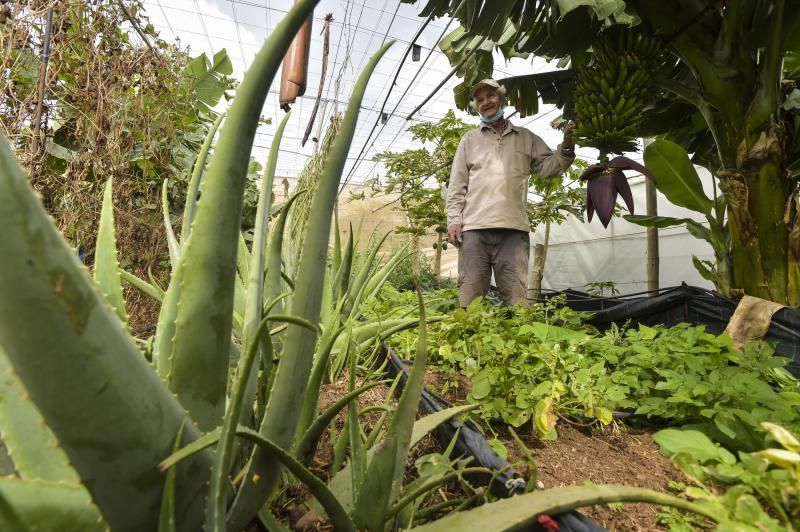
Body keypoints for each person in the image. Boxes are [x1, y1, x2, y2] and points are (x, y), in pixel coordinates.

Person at [446, 78, 576, 307]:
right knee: (469, 300)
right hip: (474, 230)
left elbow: (549, 168)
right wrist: (454, 220)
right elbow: (457, 185)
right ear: (476, 106)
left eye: (491, 96)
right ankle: (470, 341)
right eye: (480, 99)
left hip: (513, 232)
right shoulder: (469, 140)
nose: (486, 102)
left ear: (503, 98)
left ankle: (514, 340)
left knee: (517, 300)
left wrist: (566, 146)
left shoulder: (526, 138)